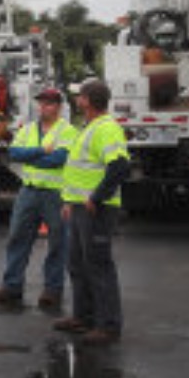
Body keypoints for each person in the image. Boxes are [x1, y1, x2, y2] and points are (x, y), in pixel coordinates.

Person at [54, 78, 130, 346]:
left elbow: (120, 167)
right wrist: (69, 201)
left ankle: (108, 326)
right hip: (79, 208)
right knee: (77, 263)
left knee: (99, 265)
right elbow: (79, 169)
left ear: (87, 100)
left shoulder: (106, 129)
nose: (76, 100)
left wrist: (96, 199)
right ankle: (83, 317)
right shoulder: (90, 127)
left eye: (79, 96)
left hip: (95, 210)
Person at [0, 87, 79, 308]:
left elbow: (59, 159)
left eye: (48, 103)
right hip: (28, 191)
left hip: (55, 193)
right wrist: (41, 151)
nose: (43, 107)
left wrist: (30, 156)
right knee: (17, 238)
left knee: (58, 243)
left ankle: (52, 290)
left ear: (58, 107)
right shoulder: (28, 129)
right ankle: (11, 286)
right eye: (41, 103)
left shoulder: (68, 131)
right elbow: (13, 154)